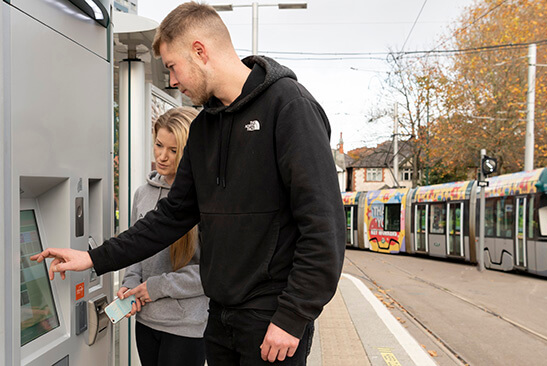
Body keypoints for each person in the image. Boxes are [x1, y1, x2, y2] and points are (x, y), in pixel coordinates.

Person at [31, 2, 346, 365]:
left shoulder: (289, 108)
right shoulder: (203, 128)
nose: (172, 80)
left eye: (172, 67)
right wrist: (92, 257)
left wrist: (293, 316)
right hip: (220, 318)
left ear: (200, 51)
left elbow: (325, 228)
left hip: (271, 319)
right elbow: (171, 216)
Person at [119, 107, 208, 366]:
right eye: (159, 145)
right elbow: (135, 246)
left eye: (173, 150)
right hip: (145, 319)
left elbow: (212, 272)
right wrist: (129, 283)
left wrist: (155, 288)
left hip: (186, 325)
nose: (162, 156)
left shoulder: (205, 199)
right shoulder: (143, 193)